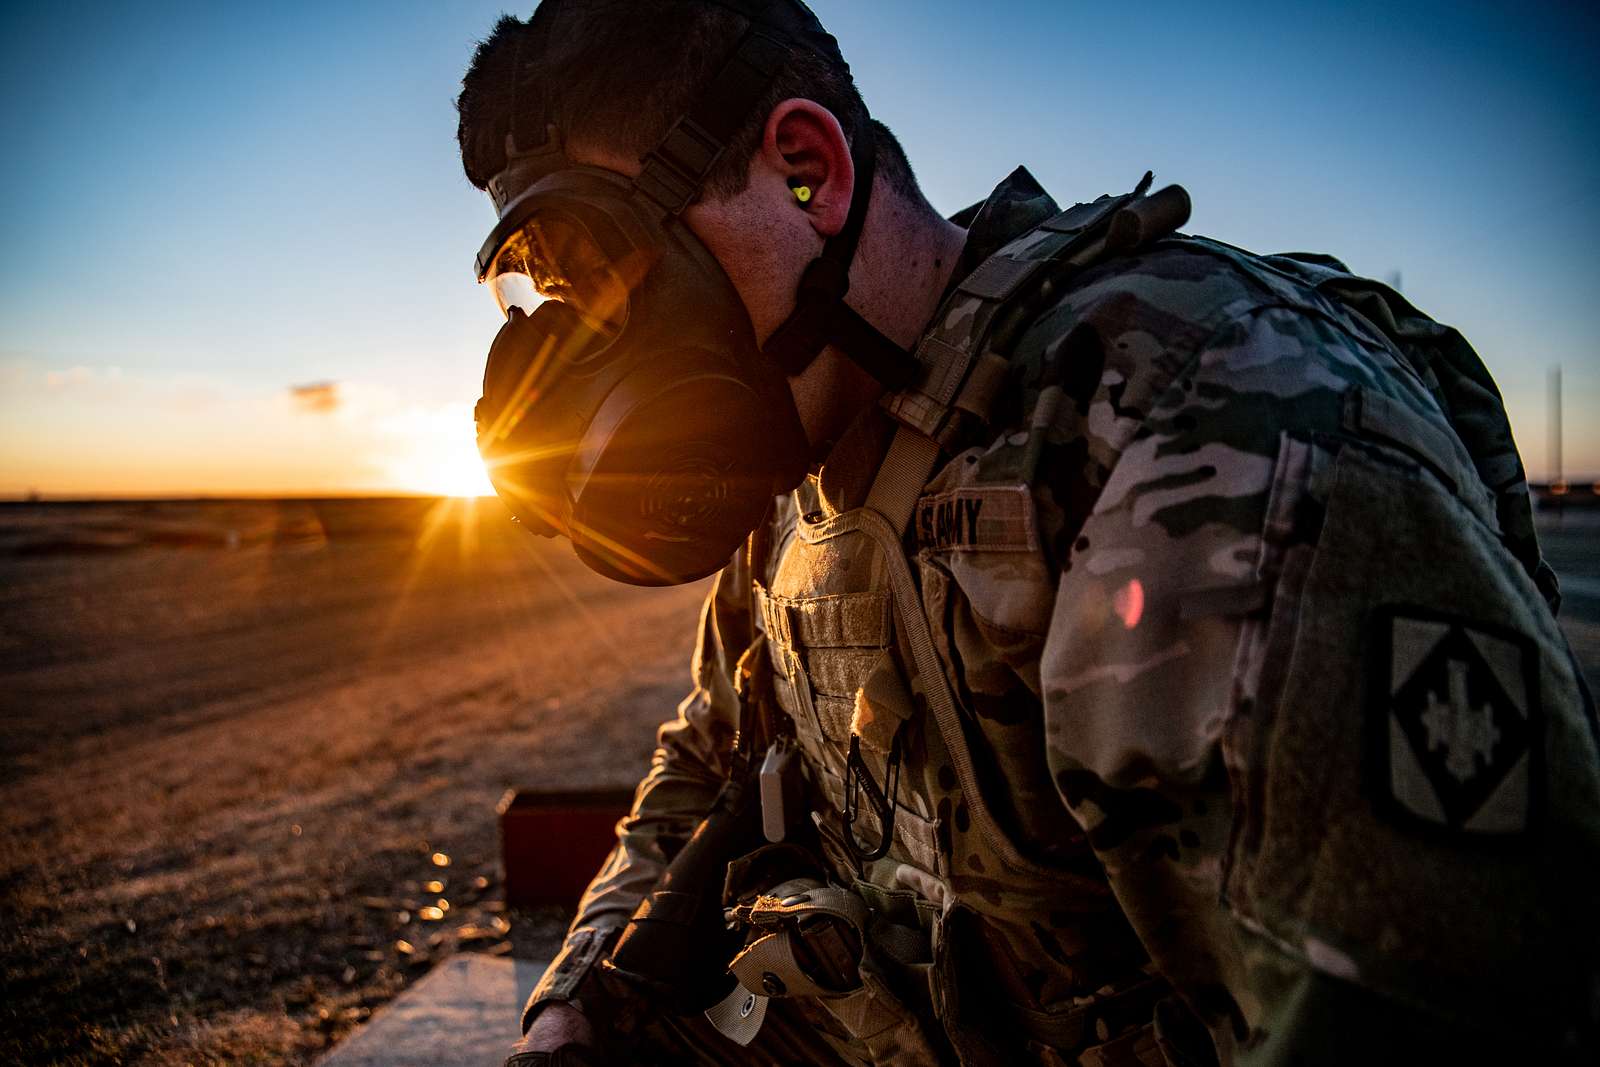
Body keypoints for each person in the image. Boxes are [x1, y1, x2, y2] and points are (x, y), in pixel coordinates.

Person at [454, 2, 1600, 1064]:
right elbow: (710, 761)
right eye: (561, 303)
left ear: (808, 172)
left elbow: (1426, 1001)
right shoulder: (797, 467)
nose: (601, 353)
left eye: (612, 279)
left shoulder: (1195, 424)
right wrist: (577, 1000)